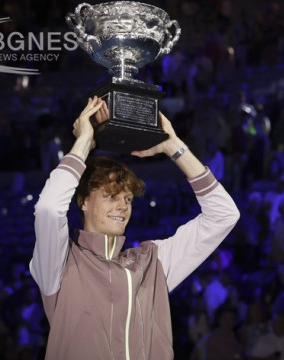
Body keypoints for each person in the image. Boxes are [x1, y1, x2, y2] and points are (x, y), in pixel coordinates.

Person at [29, 96, 240, 359]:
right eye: (111, 196)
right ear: (83, 201)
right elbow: (48, 208)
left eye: (127, 199)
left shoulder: (151, 262)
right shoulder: (59, 263)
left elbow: (224, 215)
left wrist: (172, 146)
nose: (122, 206)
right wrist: (85, 141)